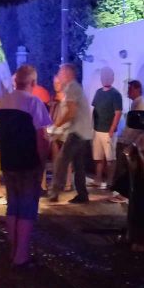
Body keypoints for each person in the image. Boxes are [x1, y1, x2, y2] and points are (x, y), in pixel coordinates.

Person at [0, 65, 52, 267]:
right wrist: (42, 162)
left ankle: (12, 250)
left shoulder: (4, 102)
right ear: (33, 83)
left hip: (8, 161)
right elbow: (42, 137)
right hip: (28, 162)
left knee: (13, 206)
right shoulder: (33, 102)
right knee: (27, 208)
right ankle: (21, 256)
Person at [47, 63, 94, 204]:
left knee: (61, 161)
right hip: (84, 133)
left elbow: (71, 112)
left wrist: (55, 126)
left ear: (67, 74)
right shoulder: (76, 87)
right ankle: (82, 194)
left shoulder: (71, 88)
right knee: (78, 165)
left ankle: (54, 192)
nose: (59, 76)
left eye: (60, 73)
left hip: (77, 132)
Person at [91, 67, 123, 191]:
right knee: (98, 158)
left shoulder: (116, 94)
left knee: (110, 159)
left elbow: (118, 113)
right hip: (97, 130)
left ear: (112, 78)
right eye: (103, 75)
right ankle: (98, 179)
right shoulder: (98, 92)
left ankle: (110, 181)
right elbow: (94, 110)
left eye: (108, 75)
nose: (105, 78)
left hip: (108, 132)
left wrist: (112, 129)